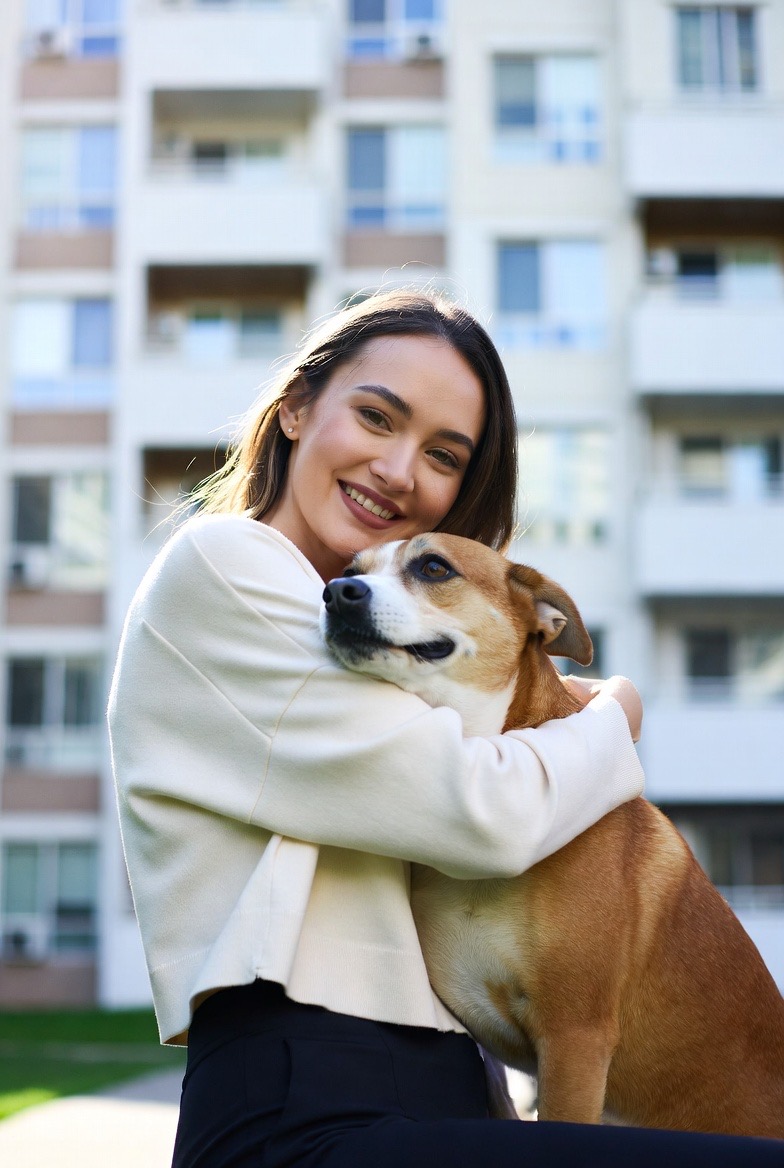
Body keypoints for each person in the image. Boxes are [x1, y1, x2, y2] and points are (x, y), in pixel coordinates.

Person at [108, 290, 784, 1167]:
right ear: (296, 409)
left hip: (446, 1102)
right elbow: (482, 811)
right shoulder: (226, 565)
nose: (397, 469)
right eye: (375, 416)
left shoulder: (385, 663)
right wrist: (615, 714)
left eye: (442, 454)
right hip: (308, 1108)